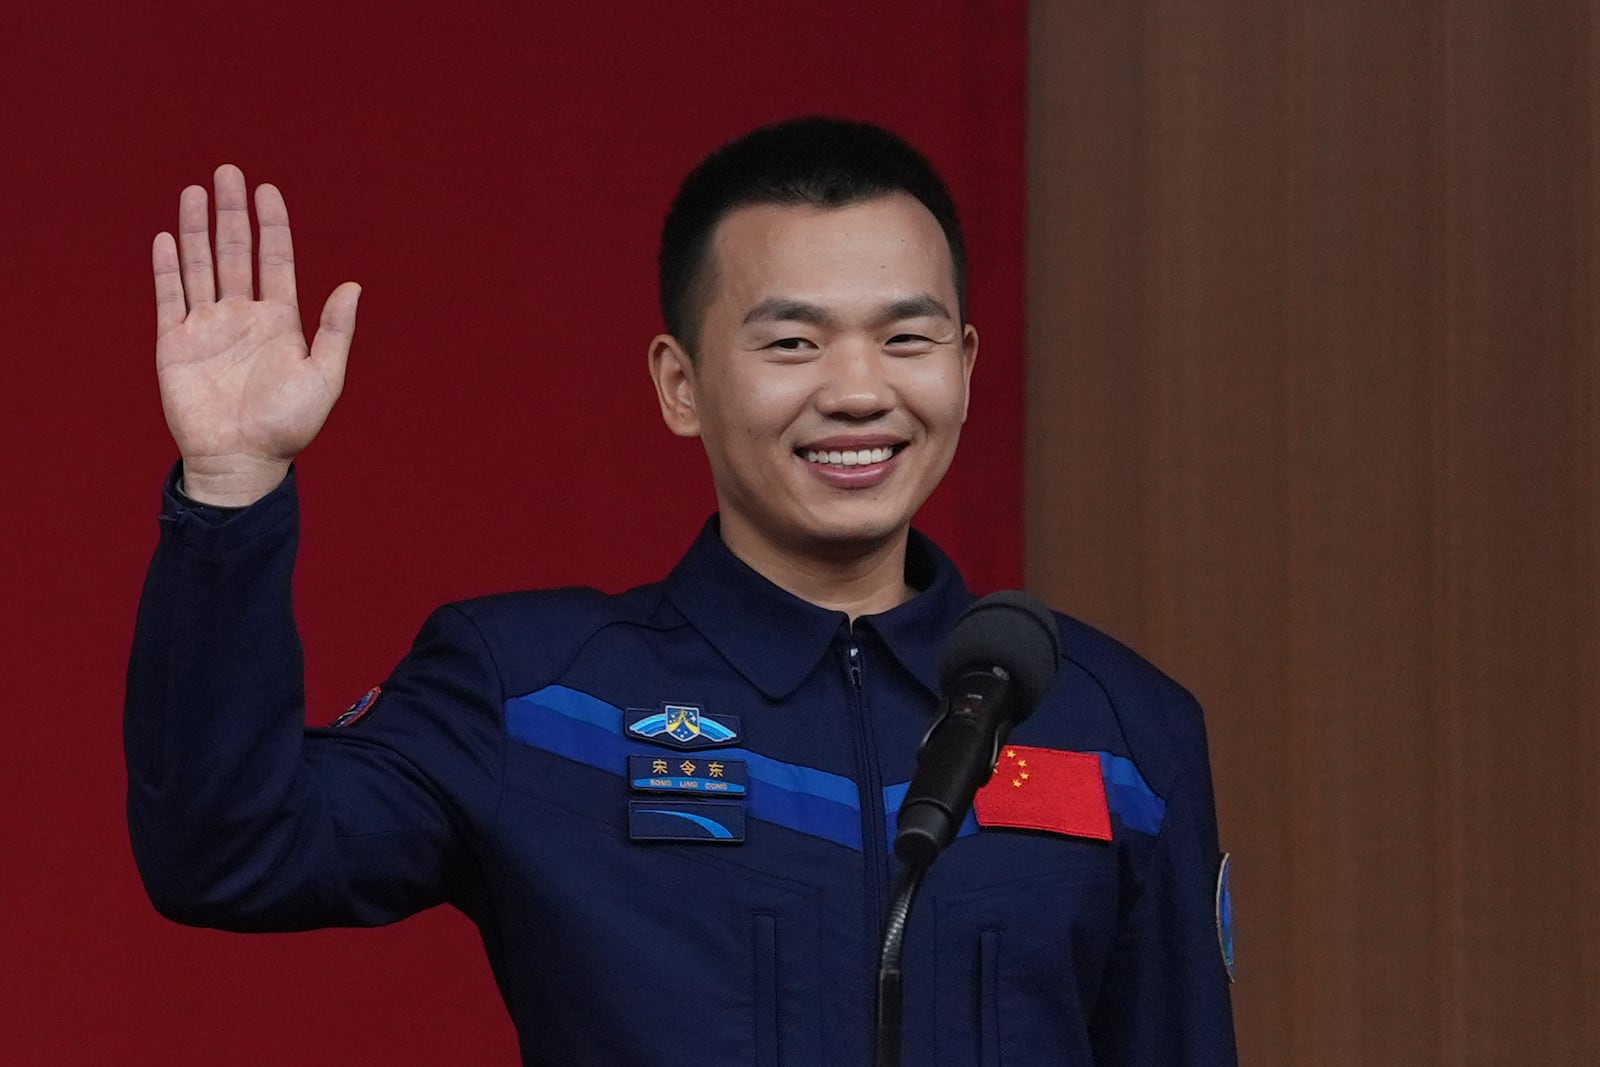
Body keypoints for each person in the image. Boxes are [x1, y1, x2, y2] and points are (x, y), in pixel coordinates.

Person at [128, 117, 1237, 1065]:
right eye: (792, 341)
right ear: (680, 383)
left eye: (908, 337)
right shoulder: (539, 699)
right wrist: (233, 489)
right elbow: (230, 851)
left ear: (964, 364)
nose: (859, 389)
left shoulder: (1122, 728)